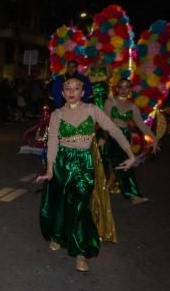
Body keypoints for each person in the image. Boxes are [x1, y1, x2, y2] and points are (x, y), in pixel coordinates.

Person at [37, 76, 135, 272]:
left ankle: (80, 251)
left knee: (80, 206)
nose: (72, 92)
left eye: (76, 88)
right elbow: (53, 143)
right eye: (68, 88)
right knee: (61, 201)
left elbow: (114, 130)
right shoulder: (57, 114)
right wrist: (49, 170)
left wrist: (131, 154)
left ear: (83, 92)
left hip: (84, 163)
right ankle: (57, 235)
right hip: (62, 163)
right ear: (63, 93)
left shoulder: (92, 110)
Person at [103, 78, 158, 204]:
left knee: (123, 165)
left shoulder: (132, 106)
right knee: (123, 165)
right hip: (112, 136)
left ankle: (132, 193)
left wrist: (154, 138)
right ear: (116, 89)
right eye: (121, 87)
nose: (123, 89)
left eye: (126, 87)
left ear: (130, 90)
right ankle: (133, 194)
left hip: (126, 137)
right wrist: (104, 138)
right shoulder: (110, 102)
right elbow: (105, 123)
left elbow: (141, 125)